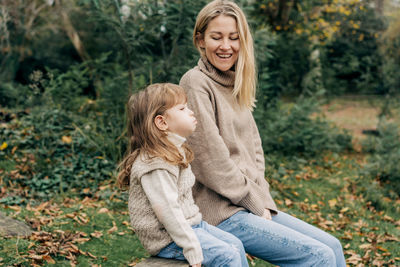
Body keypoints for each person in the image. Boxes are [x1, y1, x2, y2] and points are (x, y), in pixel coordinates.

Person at [179, 1, 346, 266]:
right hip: (219, 212)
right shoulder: (195, 82)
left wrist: (262, 198)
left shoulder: (235, 83)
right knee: (318, 257)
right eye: (216, 37)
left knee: (332, 247)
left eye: (234, 38)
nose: (226, 46)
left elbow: (254, 151)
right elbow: (210, 160)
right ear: (200, 40)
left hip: (247, 204)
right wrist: (253, 201)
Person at [117, 83, 249, 267]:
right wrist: (191, 247)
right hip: (167, 238)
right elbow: (168, 211)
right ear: (162, 122)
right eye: (182, 108)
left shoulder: (172, 150)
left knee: (235, 244)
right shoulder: (155, 163)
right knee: (226, 256)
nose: (191, 112)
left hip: (192, 226)